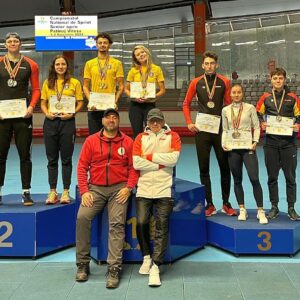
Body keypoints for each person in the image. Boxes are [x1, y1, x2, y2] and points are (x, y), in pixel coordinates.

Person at [75, 108, 138, 288]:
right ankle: (82, 264)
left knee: (117, 223)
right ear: (102, 121)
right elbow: (82, 167)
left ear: (118, 122)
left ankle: (114, 268)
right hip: (95, 189)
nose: (111, 120)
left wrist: (129, 188)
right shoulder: (91, 141)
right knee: (82, 217)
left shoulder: (128, 141)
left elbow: (134, 168)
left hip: (119, 189)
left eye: (115, 118)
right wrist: (85, 191)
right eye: (108, 117)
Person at [183, 51, 236, 217]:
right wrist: (189, 122)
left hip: (220, 130)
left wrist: (231, 126)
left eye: (212, 63)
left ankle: (226, 203)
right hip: (202, 130)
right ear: (202, 65)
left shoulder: (225, 81)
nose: (209, 66)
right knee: (203, 168)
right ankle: (210, 204)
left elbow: (229, 105)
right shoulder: (196, 82)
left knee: (224, 167)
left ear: (216, 64)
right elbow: (186, 104)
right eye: (206, 63)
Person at [132, 108, 181, 287]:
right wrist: (160, 164)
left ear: (162, 121)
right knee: (142, 222)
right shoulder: (140, 138)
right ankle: (146, 256)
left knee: (161, 226)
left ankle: (156, 265)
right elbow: (136, 162)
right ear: (147, 122)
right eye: (151, 121)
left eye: (157, 121)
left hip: (164, 188)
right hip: (144, 187)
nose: (154, 124)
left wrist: (150, 157)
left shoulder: (173, 136)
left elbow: (174, 159)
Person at [0, 32, 40, 206]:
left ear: (20, 44)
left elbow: (37, 89)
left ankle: (26, 192)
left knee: (25, 155)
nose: (13, 43)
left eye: (16, 40)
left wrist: (31, 107)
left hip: (23, 117)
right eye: (10, 41)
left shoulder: (31, 64)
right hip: (2, 117)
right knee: (1, 156)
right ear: (5, 45)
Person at [256, 67, 300, 221]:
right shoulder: (265, 97)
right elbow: (258, 113)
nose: (278, 81)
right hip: (271, 144)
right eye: (275, 78)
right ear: (271, 80)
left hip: (289, 144)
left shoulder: (293, 97)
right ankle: (274, 206)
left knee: (290, 177)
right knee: (272, 177)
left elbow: (299, 115)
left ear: (284, 80)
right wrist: (261, 123)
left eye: (280, 78)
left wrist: (298, 125)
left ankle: (291, 208)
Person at [40, 55, 84, 204]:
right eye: (58, 64)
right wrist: (47, 113)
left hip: (67, 123)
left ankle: (65, 191)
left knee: (66, 159)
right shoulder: (47, 83)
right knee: (51, 159)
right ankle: (52, 191)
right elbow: (43, 102)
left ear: (67, 66)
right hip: (51, 123)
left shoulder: (75, 83)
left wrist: (72, 114)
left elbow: (80, 102)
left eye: (63, 64)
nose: (60, 66)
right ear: (54, 66)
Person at [221, 84, 268, 224]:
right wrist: (224, 143)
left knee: (254, 178)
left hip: (248, 147)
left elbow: (256, 126)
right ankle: (242, 209)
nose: (236, 95)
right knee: (237, 179)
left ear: (242, 93)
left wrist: (255, 141)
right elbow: (225, 129)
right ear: (230, 95)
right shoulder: (225, 110)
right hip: (233, 148)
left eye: (239, 92)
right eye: (234, 92)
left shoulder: (250, 108)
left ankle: (261, 211)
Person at [83, 32, 124, 135]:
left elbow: (121, 86)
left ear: (109, 45)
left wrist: (115, 100)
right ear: (96, 45)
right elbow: (85, 86)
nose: (102, 45)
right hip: (94, 107)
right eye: (100, 43)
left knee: (111, 135)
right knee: (94, 137)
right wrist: (91, 101)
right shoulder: (89, 64)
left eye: (105, 43)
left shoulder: (117, 63)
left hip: (110, 106)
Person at [125, 45, 165, 138]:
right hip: (135, 106)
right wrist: (133, 97)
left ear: (147, 52)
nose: (141, 55)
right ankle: (138, 152)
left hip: (149, 105)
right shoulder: (133, 70)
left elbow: (162, 90)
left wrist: (152, 97)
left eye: (142, 52)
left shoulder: (157, 69)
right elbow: (126, 89)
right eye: (138, 54)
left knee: (151, 132)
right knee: (137, 133)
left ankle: (150, 152)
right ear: (135, 58)